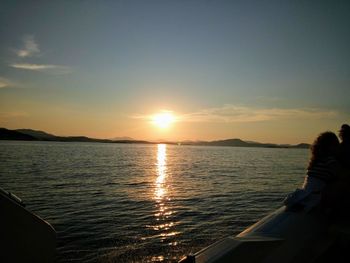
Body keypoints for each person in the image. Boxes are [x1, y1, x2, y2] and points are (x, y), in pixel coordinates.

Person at [284, 131, 341, 210]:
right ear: (331, 146)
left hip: (305, 193)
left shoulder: (316, 161)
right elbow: (339, 174)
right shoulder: (330, 161)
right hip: (314, 196)